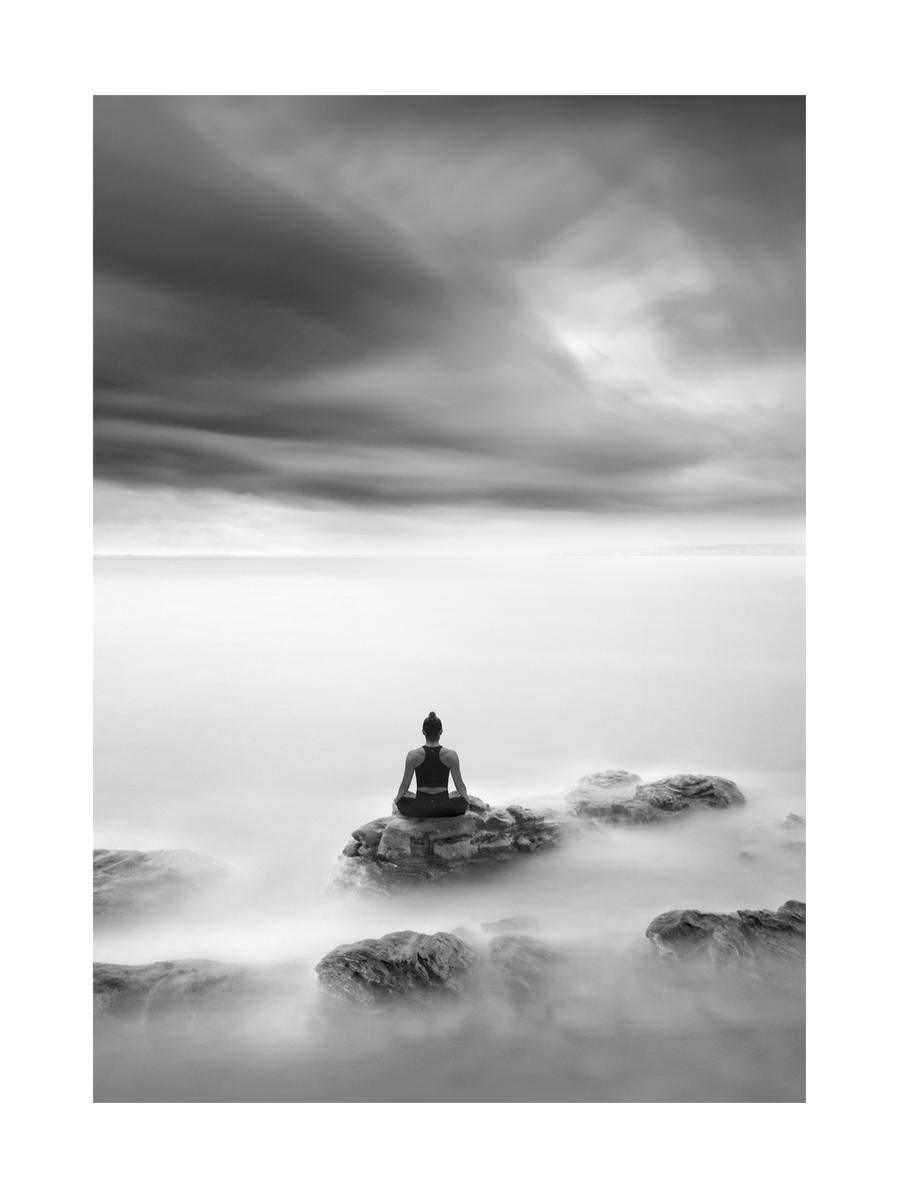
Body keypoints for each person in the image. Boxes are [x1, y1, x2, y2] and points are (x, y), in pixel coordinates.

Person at [393, 712, 470, 818]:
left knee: (404, 798)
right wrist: (466, 800)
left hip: (420, 808)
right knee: (458, 797)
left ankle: (417, 800)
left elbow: (404, 785)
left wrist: (398, 800)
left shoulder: (413, 755)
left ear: (423, 732)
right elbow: (460, 785)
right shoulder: (451, 755)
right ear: (441, 732)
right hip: (445, 807)